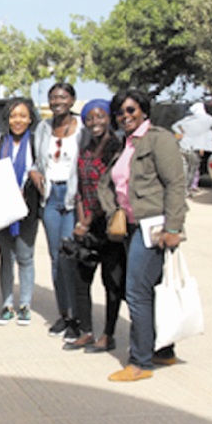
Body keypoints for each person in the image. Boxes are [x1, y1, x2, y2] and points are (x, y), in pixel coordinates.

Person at [98, 89, 187, 382]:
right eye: (120, 113)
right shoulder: (127, 144)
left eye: (131, 110)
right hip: (132, 226)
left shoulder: (158, 139)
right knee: (152, 289)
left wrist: (173, 228)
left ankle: (140, 362)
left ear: (144, 111)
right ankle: (163, 349)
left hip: (154, 227)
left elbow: (175, 184)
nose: (125, 116)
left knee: (136, 291)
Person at [29, 82, 90, 340]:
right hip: (50, 198)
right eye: (53, 98)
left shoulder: (83, 129)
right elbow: (36, 161)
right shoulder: (42, 128)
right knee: (56, 258)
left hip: (73, 197)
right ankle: (64, 313)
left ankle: (78, 317)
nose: (57, 102)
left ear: (72, 100)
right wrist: (34, 173)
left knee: (70, 256)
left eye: (63, 97)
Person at [66, 99, 126, 353]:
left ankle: (108, 334)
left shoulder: (117, 147)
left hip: (109, 224)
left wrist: (89, 220)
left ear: (109, 118)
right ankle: (86, 331)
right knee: (81, 280)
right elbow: (81, 187)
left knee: (111, 282)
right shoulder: (86, 147)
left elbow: (110, 190)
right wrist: (81, 220)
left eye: (100, 116)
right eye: (90, 118)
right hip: (86, 222)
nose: (95, 122)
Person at [0, 98, 41, 327]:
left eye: (22, 115)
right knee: (5, 258)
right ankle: (7, 304)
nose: (17, 120)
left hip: (27, 208)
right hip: (2, 207)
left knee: (25, 257)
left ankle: (25, 304)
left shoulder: (36, 143)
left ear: (30, 119)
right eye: (13, 116)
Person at [172, 102, 212, 197]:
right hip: (195, 148)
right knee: (193, 170)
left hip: (183, 146)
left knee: (184, 169)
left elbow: (174, 126)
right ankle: (188, 189)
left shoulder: (187, 119)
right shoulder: (208, 119)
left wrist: (180, 133)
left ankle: (183, 190)